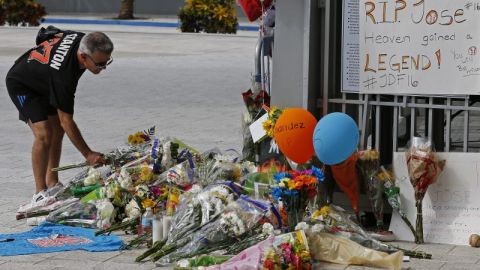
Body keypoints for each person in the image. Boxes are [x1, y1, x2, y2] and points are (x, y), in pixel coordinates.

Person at [5, 27, 114, 212]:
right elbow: (67, 121)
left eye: (106, 63)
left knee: (58, 130)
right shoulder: (64, 75)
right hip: (22, 84)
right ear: (83, 57)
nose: (102, 69)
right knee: (44, 134)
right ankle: (39, 194)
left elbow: (48, 33)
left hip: (45, 81)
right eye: (100, 64)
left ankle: (52, 182)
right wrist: (88, 154)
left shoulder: (82, 40)